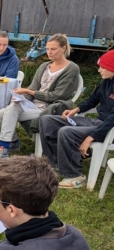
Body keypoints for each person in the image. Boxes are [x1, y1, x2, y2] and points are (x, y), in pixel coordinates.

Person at [0, 33, 80, 163]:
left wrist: (28, 92)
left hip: (50, 107)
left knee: (6, 112)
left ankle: (5, 147)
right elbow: (32, 88)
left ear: (64, 48)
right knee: (6, 110)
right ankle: (10, 143)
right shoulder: (44, 66)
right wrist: (22, 97)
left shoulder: (71, 69)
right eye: (47, 49)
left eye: (53, 49)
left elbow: (58, 95)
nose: (49, 52)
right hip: (32, 105)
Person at [40, 49, 114, 189]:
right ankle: (54, 163)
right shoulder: (107, 81)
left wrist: (91, 137)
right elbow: (92, 100)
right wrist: (76, 110)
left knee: (66, 131)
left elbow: (112, 120)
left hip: (109, 130)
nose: (99, 70)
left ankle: (75, 176)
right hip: (97, 123)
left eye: (103, 67)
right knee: (47, 120)